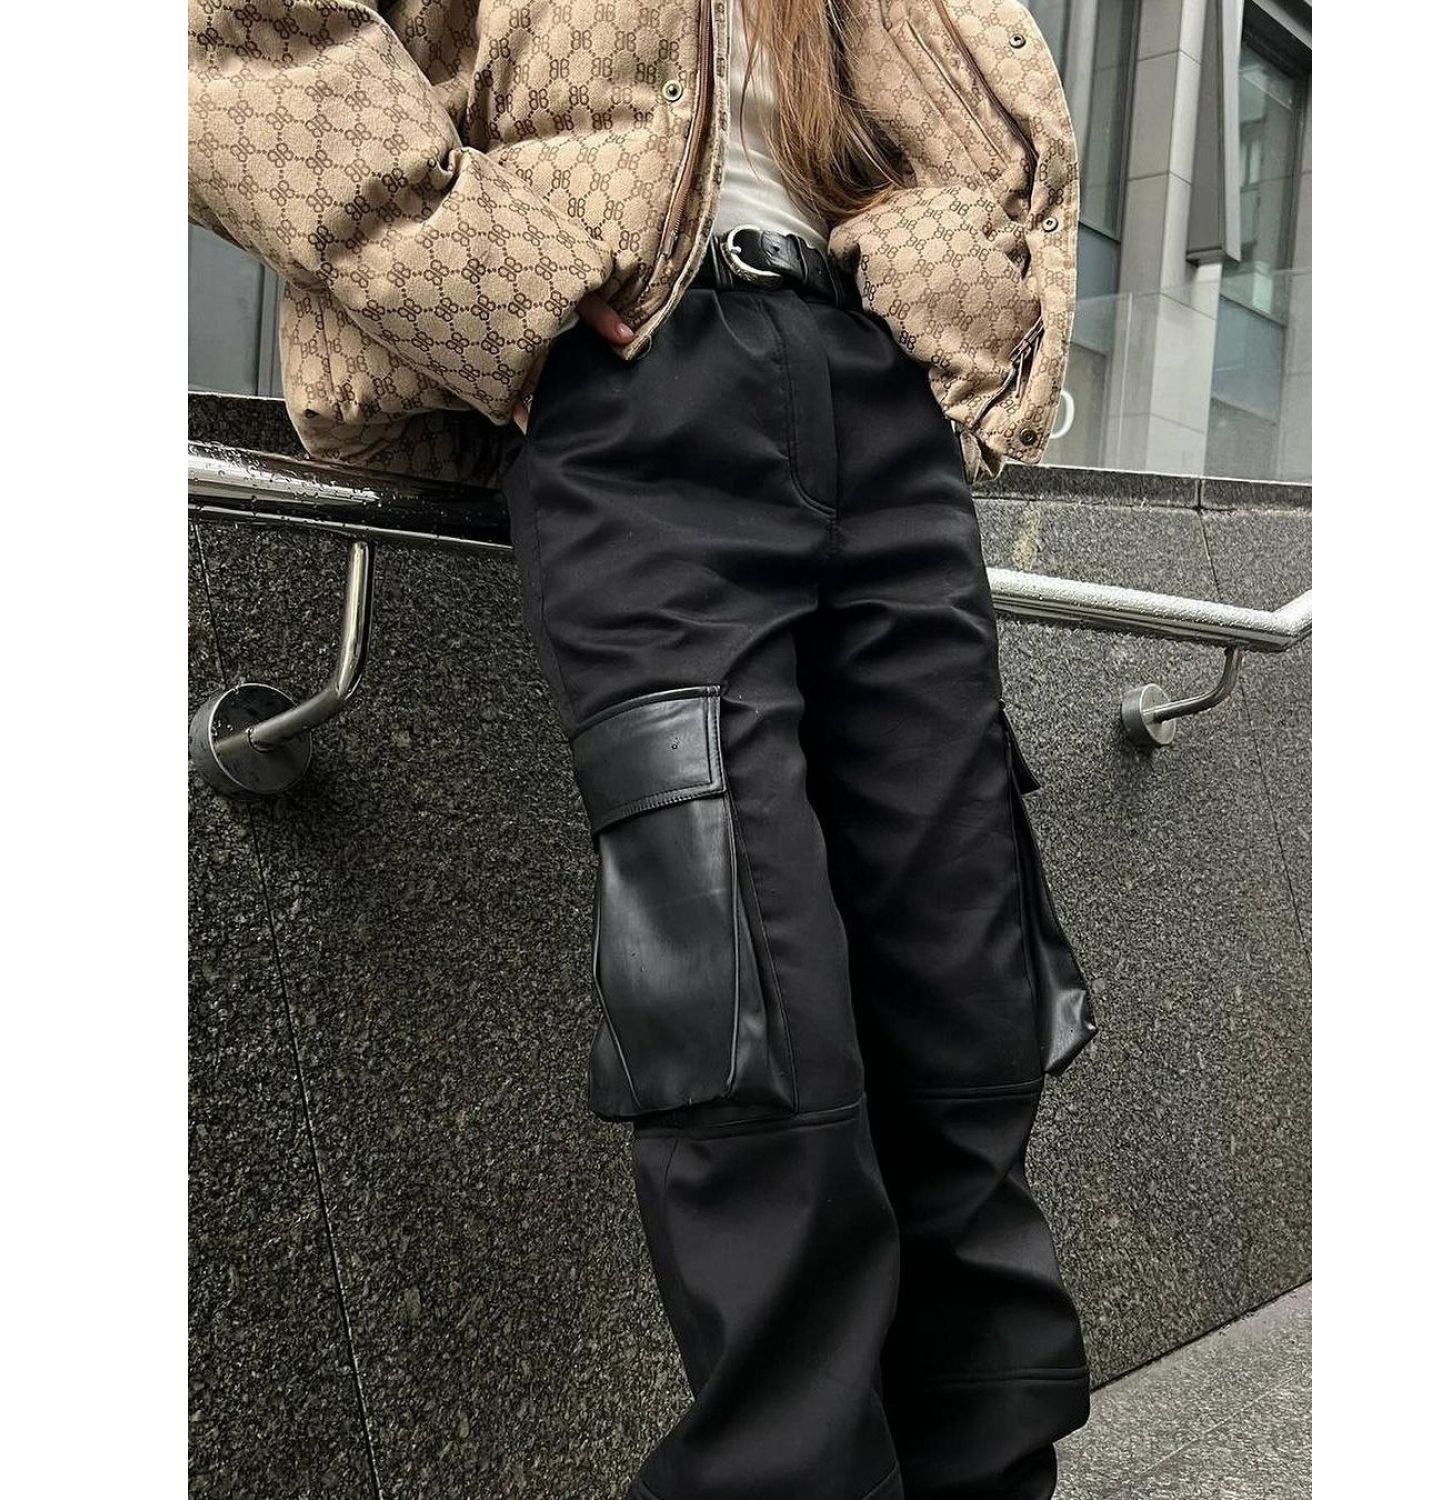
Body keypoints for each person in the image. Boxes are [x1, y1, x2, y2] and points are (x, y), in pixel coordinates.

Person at [189, 2, 1099, 1496]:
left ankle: (992, 1469)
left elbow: (992, 107)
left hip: (877, 385)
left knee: (964, 980)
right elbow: (241, 37)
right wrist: (486, 273)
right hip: (632, 381)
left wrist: (952, 284)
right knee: (741, 1002)